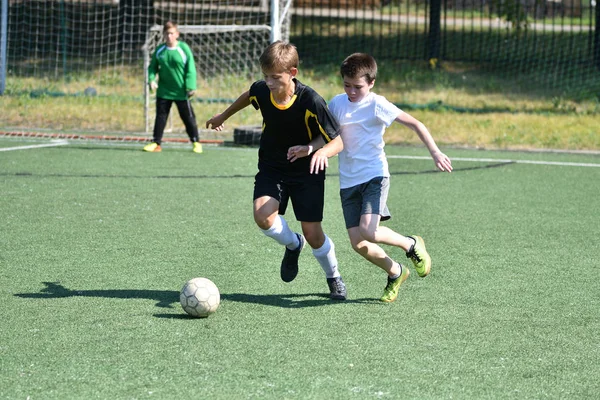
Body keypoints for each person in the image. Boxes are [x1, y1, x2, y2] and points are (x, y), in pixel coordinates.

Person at [205, 41, 347, 300]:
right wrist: (222, 116)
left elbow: (337, 140)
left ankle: (333, 276)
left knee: (313, 234)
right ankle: (294, 245)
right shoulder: (262, 90)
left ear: (292, 73)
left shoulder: (311, 100)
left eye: (275, 77)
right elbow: (250, 95)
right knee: (262, 216)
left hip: (307, 171)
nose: (268, 82)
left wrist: (317, 151)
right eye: (265, 76)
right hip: (272, 166)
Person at [326, 53, 453, 303]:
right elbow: (326, 134)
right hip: (347, 181)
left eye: (358, 87)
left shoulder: (377, 104)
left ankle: (411, 244)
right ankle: (395, 272)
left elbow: (416, 124)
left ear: (371, 83)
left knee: (369, 231)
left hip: (374, 175)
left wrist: (435, 152)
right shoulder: (336, 104)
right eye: (347, 85)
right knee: (358, 243)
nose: (351, 91)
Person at [144, 21, 203, 153]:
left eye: (172, 33)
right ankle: (156, 143)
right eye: (167, 33)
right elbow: (152, 67)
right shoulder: (160, 50)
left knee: (188, 117)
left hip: (181, 92)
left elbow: (191, 69)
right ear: (164, 34)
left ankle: (196, 142)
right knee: (160, 117)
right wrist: (151, 80)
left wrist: (191, 86)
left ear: (177, 34)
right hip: (164, 91)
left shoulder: (183, 49)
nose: (169, 36)